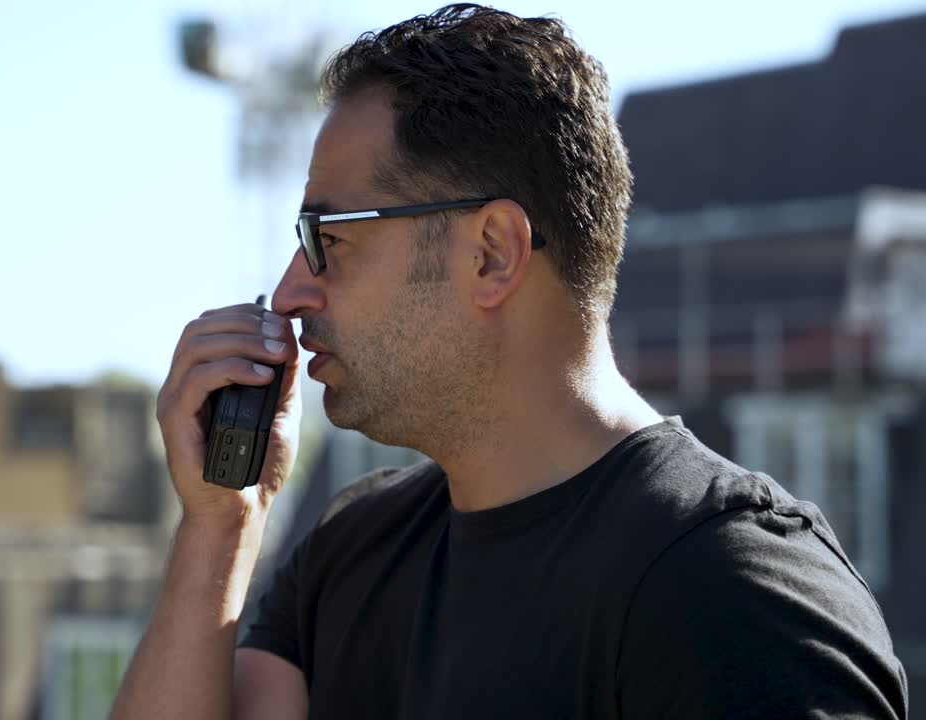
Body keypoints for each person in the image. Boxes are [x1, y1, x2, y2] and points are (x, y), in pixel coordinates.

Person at [111, 4, 910, 718]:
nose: (289, 292)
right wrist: (221, 524)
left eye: (330, 239)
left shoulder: (734, 591)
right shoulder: (354, 550)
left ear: (493, 254)